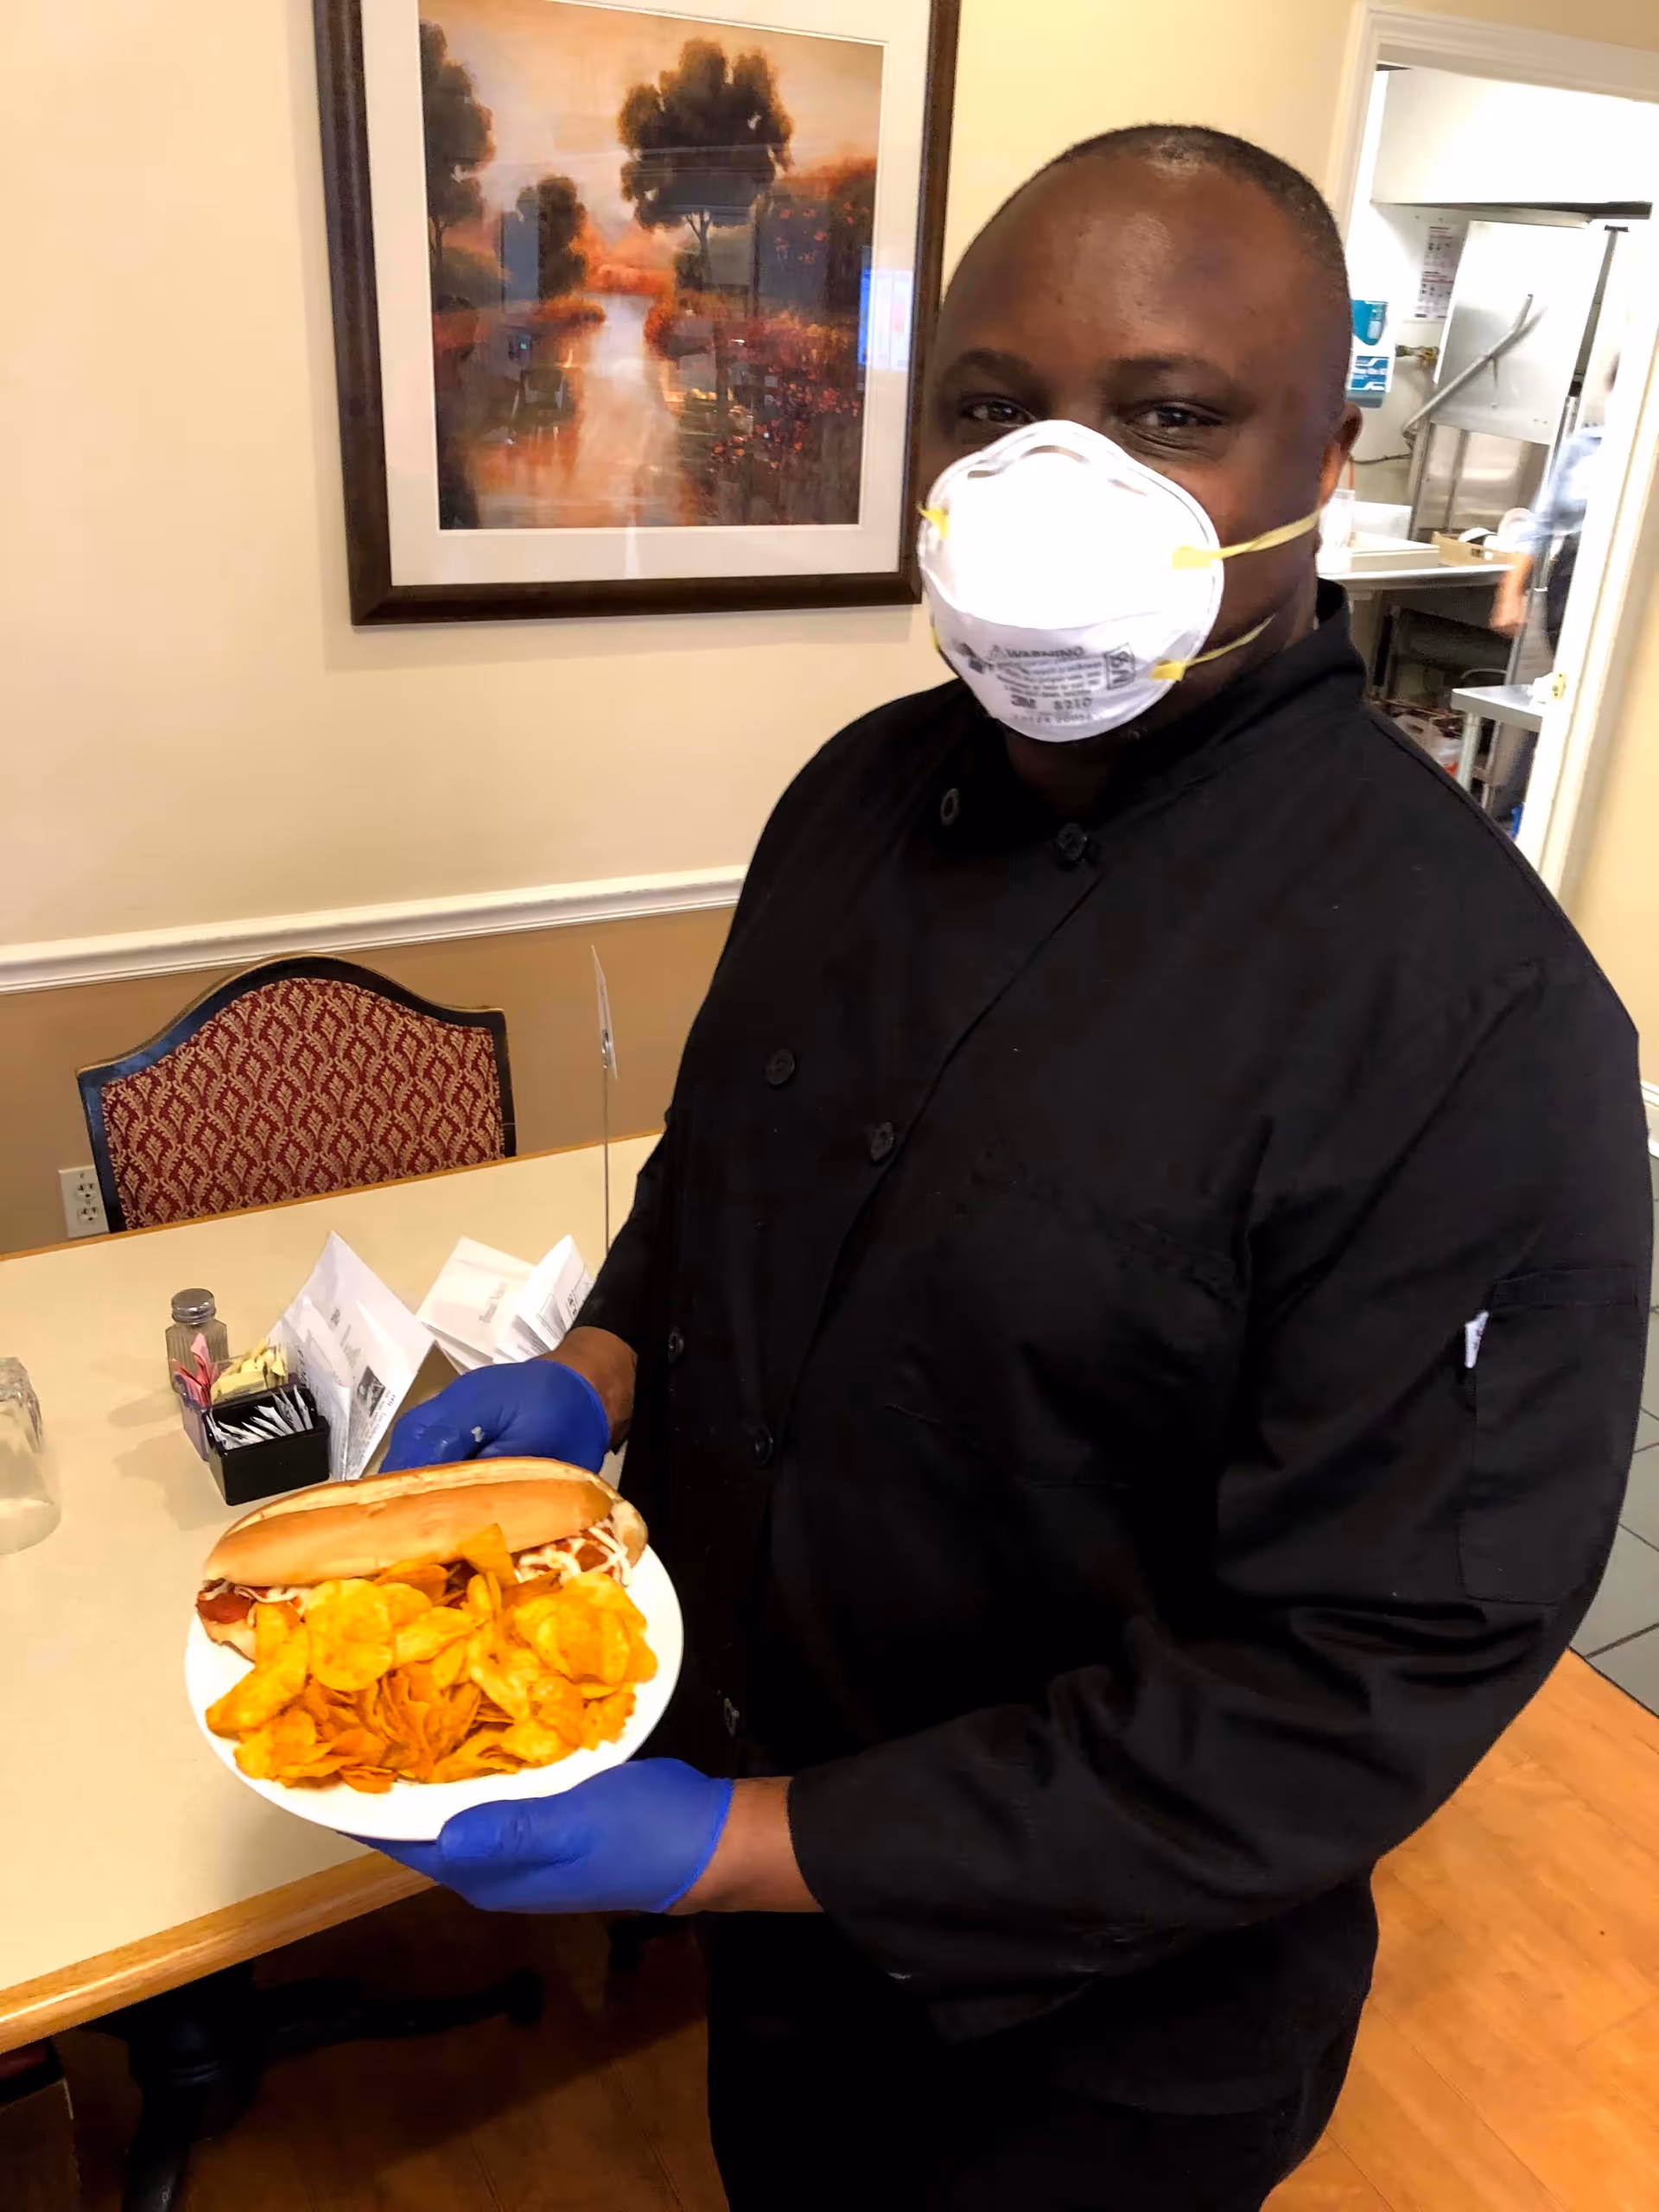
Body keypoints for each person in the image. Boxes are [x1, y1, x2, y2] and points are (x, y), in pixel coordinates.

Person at [371, 126, 1650, 2211]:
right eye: (995, 408)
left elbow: (1351, 1685)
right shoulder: (853, 800)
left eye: (1167, 416)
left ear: (1323, 449)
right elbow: (727, 1167)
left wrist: (735, 1841)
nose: (1063, 480)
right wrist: (595, 1369)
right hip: (777, 1955)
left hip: (1098, 2051)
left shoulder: (1469, 1022)